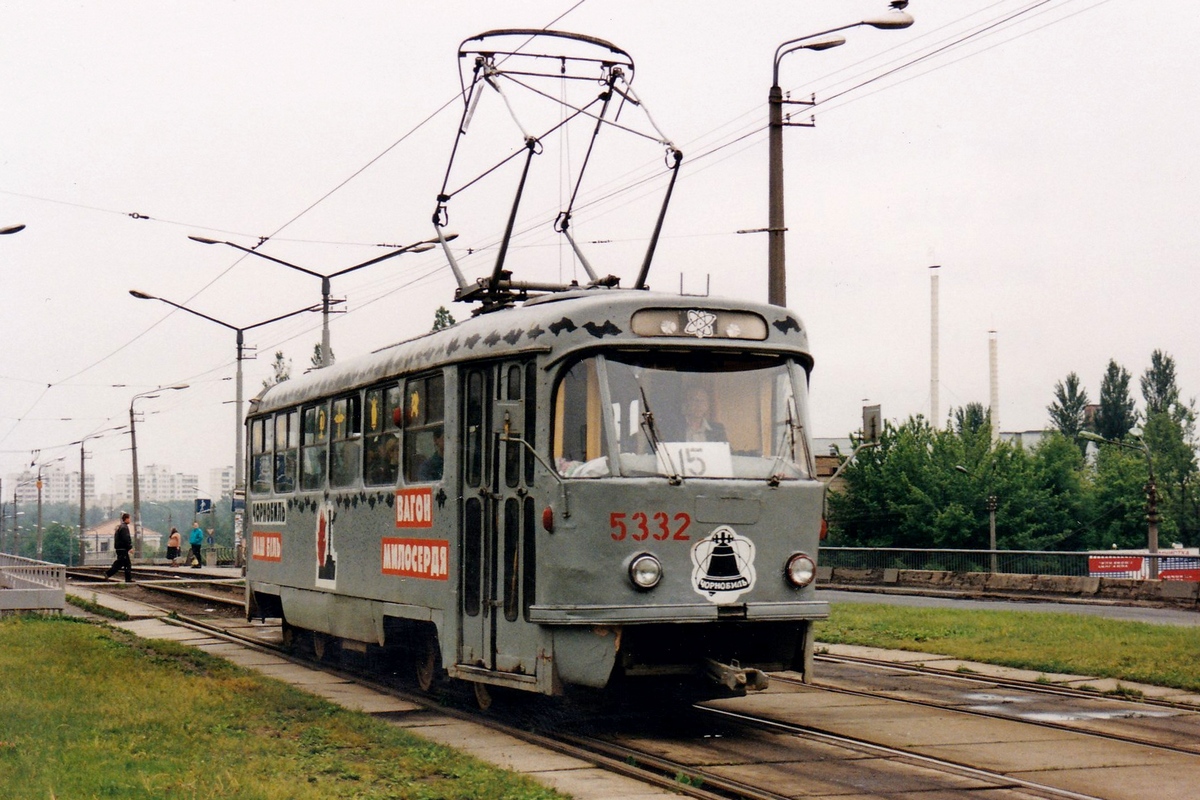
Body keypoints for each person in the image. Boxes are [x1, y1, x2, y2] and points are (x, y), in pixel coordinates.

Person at [105, 513, 133, 582]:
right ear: (126, 519)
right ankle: (108, 573)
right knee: (121, 564)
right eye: (129, 518)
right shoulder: (124, 528)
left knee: (125, 563)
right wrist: (130, 547)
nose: (130, 520)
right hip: (122, 549)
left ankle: (128, 579)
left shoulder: (120, 527)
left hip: (119, 548)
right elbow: (126, 538)